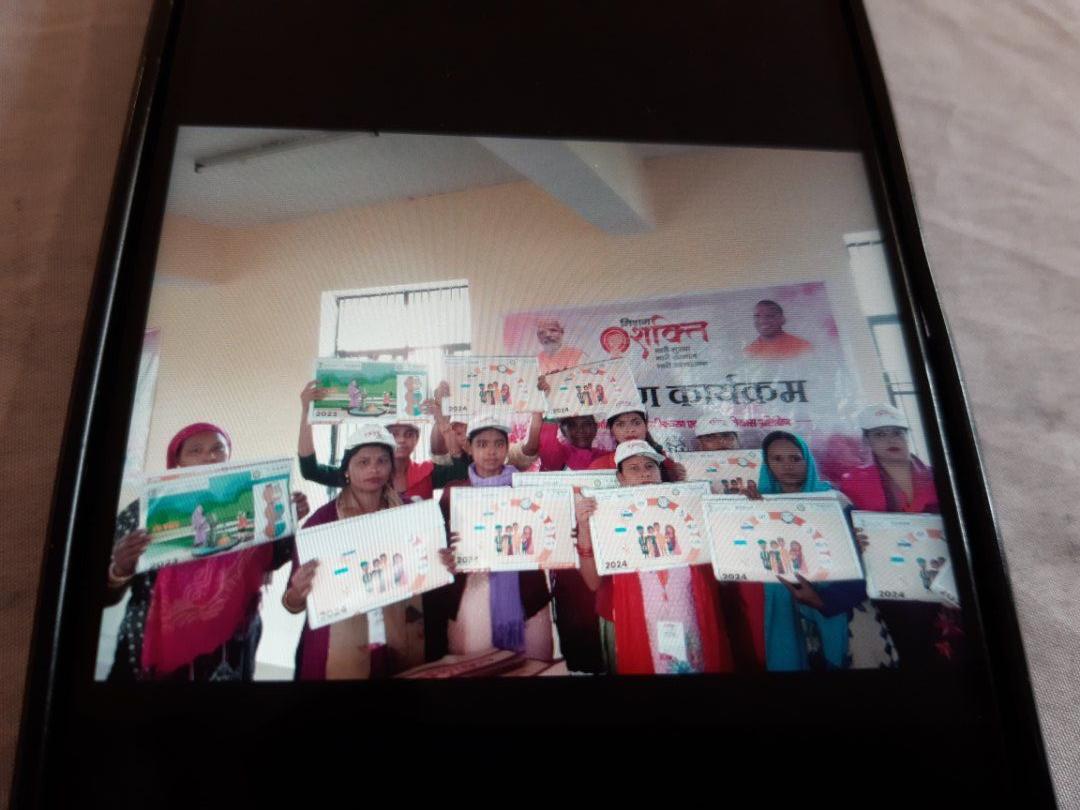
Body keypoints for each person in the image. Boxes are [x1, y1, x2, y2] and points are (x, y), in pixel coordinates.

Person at [105, 423, 310, 681]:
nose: (209, 457)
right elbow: (104, 595)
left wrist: (287, 519)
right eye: (195, 451)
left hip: (230, 649)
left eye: (217, 449)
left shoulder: (249, 504)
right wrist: (119, 569)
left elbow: (272, 559)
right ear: (178, 462)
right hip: (154, 646)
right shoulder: (145, 512)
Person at [283, 424, 455, 680]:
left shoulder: (413, 515)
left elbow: (432, 580)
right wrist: (298, 591)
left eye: (382, 461)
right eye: (363, 462)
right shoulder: (322, 523)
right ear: (347, 470)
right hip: (339, 648)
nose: (374, 469)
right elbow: (291, 603)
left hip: (401, 639)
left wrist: (445, 565)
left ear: (391, 468)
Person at [573, 440, 735, 674]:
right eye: (634, 468)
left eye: (650, 466)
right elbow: (593, 582)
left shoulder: (689, 509)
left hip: (693, 625)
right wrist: (584, 527)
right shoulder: (607, 518)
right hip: (643, 631)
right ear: (620, 478)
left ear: (660, 472)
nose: (644, 473)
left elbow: (725, 571)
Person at [731, 430, 872, 672]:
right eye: (777, 459)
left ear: (808, 460)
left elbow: (863, 561)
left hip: (837, 608)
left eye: (795, 458)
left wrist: (823, 600)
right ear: (767, 464)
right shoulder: (758, 504)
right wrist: (740, 511)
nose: (787, 466)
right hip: (783, 609)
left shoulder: (835, 501)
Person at [838, 404, 964, 669]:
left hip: (945, 582)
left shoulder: (940, 476)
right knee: (911, 652)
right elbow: (845, 536)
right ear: (867, 440)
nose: (891, 440)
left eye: (897, 432)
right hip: (891, 586)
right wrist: (854, 542)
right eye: (880, 434)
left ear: (907, 435)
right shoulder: (852, 482)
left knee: (955, 654)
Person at [439, 415, 554, 660]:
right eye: (482, 444)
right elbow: (439, 542)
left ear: (507, 447)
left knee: (534, 665)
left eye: (498, 444)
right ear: (469, 447)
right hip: (470, 591)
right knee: (477, 664)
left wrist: (562, 535)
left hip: (527, 592)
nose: (491, 451)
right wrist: (445, 555)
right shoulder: (453, 492)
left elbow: (547, 530)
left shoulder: (525, 489)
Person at [296, 380, 469, 499]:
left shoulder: (427, 473)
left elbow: (462, 472)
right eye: (394, 434)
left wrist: (443, 420)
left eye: (409, 434)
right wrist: (306, 412)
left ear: (417, 439)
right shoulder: (363, 475)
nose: (401, 440)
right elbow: (310, 471)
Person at [744, 299, 813, 360]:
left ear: (782, 320)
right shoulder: (749, 351)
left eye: (769, 316)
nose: (762, 321)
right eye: (757, 316)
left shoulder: (802, 347)